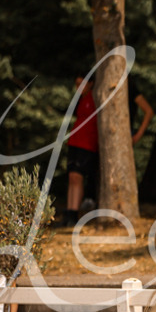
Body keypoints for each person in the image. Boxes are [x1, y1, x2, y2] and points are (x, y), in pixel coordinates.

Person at [63, 76, 98, 227]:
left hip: (87, 144)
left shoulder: (95, 97)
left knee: (78, 177)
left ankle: (74, 213)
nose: (79, 87)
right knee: (72, 177)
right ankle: (69, 212)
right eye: (77, 84)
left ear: (91, 83)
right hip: (75, 142)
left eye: (82, 84)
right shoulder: (81, 100)